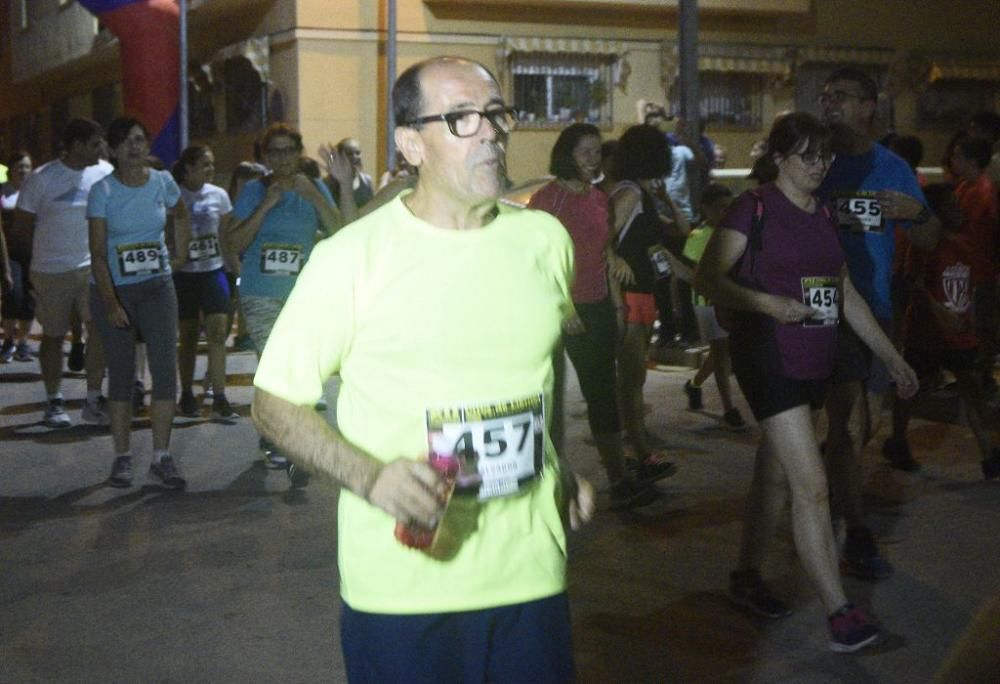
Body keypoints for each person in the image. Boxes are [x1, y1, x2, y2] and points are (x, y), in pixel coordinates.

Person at [251, 56, 595, 683]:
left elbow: (543, 369)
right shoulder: (350, 259)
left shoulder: (545, 240)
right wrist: (369, 476)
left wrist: (556, 462)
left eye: (496, 114)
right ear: (410, 143)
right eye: (461, 118)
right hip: (405, 590)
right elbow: (274, 401)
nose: (489, 131)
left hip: (531, 574)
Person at [694, 111, 918, 653]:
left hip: (813, 354)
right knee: (812, 486)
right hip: (767, 354)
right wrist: (765, 302)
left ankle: (746, 578)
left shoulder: (821, 212)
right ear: (779, 158)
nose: (819, 166)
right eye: (808, 156)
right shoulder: (755, 207)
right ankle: (840, 613)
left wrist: (891, 358)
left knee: (774, 478)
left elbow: (844, 293)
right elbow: (708, 278)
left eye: (826, 156)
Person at [817, 66, 939, 580]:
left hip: (876, 305)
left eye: (841, 97)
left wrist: (914, 213)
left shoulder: (891, 167)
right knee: (846, 422)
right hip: (823, 301)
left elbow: (931, 238)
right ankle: (856, 531)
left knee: (862, 424)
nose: (830, 105)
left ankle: (824, 486)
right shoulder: (813, 159)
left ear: (869, 106)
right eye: (826, 97)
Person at [529, 123, 658, 510]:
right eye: (584, 151)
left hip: (598, 306)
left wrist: (616, 303)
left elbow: (603, 254)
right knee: (546, 400)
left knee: (602, 395)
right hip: (553, 311)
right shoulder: (547, 200)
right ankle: (547, 484)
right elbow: (535, 259)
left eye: (597, 152)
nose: (592, 159)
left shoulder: (600, 199)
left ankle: (619, 480)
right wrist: (563, 306)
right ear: (566, 154)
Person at [225, 122, 349, 473]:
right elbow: (235, 244)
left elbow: (341, 232)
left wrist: (312, 196)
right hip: (261, 292)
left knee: (299, 367)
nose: (282, 158)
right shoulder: (253, 190)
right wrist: (266, 205)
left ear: (299, 153)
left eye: (288, 150)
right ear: (265, 156)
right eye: (274, 151)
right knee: (276, 364)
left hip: (303, 292)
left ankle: (280, 431)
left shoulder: (314, 187)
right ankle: (282, 438)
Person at [88, 116, 189, 489]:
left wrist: (178, 255)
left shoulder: (162, 181)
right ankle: (122, 457)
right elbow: (97, 253)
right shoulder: (104, 191)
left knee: (165, 371)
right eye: (126, 141)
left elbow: (181, 213)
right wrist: (111, 302)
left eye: (140, 140)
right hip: (115, 288)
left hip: (157, 285)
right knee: (122, 372)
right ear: (113, 150)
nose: (135, 147)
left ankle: (161, 457)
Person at [884, 184, 1000, 478]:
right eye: (950, 205)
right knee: (911, 389)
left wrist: (972, 323)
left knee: (972, 389)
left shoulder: (965, 244)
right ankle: (898, 440)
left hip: (960, 334)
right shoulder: (926, 245)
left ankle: (988, 454)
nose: (958, 210)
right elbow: (914, 285)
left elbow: (969, 288)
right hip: (927, 334)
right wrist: (942, 312)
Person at [13, 119, 112, 427]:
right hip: (50, 271)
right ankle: (54, 400)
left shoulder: (105, 173)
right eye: (95, 143)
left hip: (91, 268)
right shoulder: (42, 179)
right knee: (54, 337)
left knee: (98, 329)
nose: (102, 149)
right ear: (77, 145)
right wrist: (32, 270)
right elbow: (21, 230)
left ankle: (93, 397)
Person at [611, 124, 687, 478]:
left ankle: (634, 450)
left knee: (633, 379)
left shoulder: (641, 193)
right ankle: (638, 452)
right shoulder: (629, 193)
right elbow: (603, 238)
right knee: (631, 380)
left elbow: (667, 240)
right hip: (629, 296)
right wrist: (616, 260)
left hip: (643, 293)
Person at [170, 145, 236, 419]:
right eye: (205, 165)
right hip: (184, 274)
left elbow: (226, 234)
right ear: (188, 168)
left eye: (212, 164)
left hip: (213, 271)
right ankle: (186, 393)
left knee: (218, 331)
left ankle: (219, 395)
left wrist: (233, 268)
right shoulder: (173, 195)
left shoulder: (219, 196)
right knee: (187, 337)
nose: (211, 169)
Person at [678, 183, 747, 430]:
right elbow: (690, 275)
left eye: (729, 207)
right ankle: (729, 408)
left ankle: (695, 384)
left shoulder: (734, 232)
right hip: (707, 303)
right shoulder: (698, 237)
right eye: (719, 208)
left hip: (729, 301)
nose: (725, 213)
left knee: (722, 353)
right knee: (722, 354)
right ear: (705, 209)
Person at [224, 161, 268, 353]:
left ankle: (244, 335)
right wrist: (237, 269)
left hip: (252, 266)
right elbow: (227, 242)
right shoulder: (231, 206)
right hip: (229, 266)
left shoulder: (263, 202)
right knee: (226, 315)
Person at [1, 151, 35, 362]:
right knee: (13, 295)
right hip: (10, 252)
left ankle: (23, 343)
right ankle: (8, 341)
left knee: (30, 299)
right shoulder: (3, 192)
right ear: (11, 170)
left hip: (34, 252)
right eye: (19, 167)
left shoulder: (37, 192)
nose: (23, 171)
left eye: (27, 167)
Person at [325, 137, 375, 209]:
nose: (355, 157)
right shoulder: (329, 183)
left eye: (358, 153)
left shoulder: (367, 181)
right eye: (349, 154)